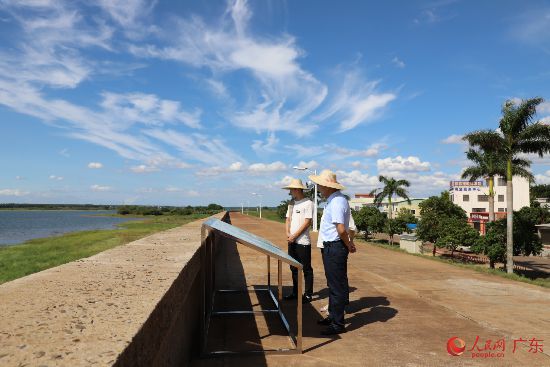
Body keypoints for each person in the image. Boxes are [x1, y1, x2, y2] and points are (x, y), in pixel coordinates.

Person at [309, 169, 356, 335]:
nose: (319, 188)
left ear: (327, 186)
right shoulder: (334, 200)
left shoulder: (336, 202)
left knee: (337, 286)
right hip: (332, 246)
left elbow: (341, 229)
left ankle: (337, 324)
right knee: (334, 284)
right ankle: (334, 316)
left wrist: (348, 244)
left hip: (335, 247)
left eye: (320, 185)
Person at [282, 178, 314, 303]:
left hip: (303, 242)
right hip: (292, 241)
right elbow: (287, 220)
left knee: (306, 269)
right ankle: (296, 292)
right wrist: (288, 234)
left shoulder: (308, 203)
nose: (290, 192)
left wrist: (294, 235)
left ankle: (308, 294)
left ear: (297, 189)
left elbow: (307, 222)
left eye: (291, 189)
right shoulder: (291, 204)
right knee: (293, 268)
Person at [318, 211, 356, 314]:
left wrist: (350, 242)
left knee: (339, 278)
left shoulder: (340, 206)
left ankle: (339, 307)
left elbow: (352, 228)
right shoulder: (328, 207)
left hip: (336, 246)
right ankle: (332, 304)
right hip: (325, 246)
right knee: (331, 279)